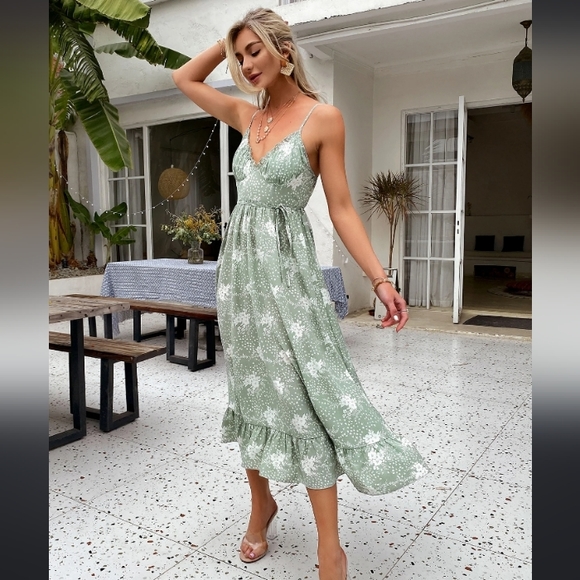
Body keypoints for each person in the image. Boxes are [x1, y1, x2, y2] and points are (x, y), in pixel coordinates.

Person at [172, 7, 428, 580]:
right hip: (240, 282)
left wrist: (380, 279)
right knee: (250, 393)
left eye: (254, 51)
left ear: (283, 52)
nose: (245, 65)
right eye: (239, 56)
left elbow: (342, 209)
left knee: (307, 397)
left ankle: (330, 548)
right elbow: (183, 79)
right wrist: (226, 38)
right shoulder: (245, 116)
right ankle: (260, 505)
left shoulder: (323, 118)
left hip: (287, 279)